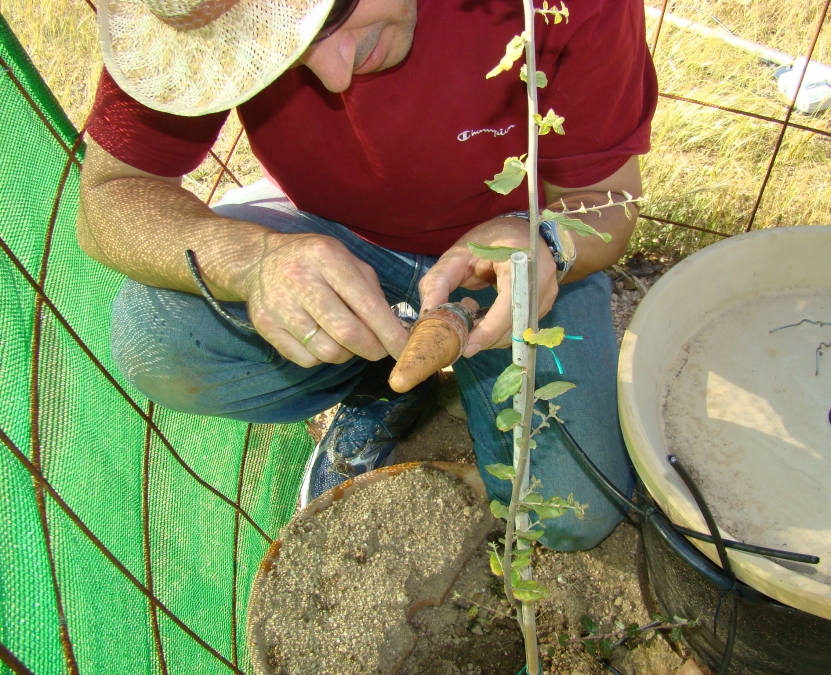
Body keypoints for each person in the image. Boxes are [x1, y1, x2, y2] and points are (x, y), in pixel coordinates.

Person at [79, 0, 657, 550]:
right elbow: (108, 200)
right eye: (278, 52)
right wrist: (252, 262)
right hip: (337, 233)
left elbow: (605, 200)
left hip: (508, 265)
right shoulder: (202, 11)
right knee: (155, 336)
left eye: (334, 11)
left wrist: (547, 245)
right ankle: (380, 377)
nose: (334, 75)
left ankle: (438, 351)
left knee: (567, 518)